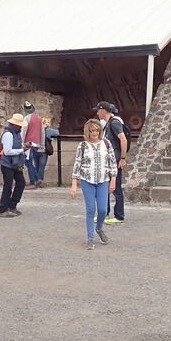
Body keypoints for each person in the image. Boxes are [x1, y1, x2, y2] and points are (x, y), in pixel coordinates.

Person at [70, 117, 117, 249]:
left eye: (96, 130)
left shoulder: (106, 144)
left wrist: (113, 179)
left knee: (102, 209)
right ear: (87, 132)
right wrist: (74, 184)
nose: (94, 133)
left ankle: (99, 228)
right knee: (91, 209)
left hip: (103, 180)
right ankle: (90, 238)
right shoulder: (83, 146)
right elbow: (77, 164)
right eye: (91, 131)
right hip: (87, 180)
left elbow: (112, 162)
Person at [94, 101, 130, 223]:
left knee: (116, 189)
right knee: (106, 187)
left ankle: (119, 216)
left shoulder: (114, 123)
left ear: (103, 110)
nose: (97, 113)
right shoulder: (108, 124)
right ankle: (105, 213)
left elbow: (123, 139)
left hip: (115, 160)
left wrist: (123, 158)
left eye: (98, 110)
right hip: (109, 160)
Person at [0, 112, 28, 217]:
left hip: (15, 163)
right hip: (8, 164)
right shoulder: (8, 134)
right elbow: (7, 151)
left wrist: (23, 148)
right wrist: (21, 150)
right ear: (15, 124)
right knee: (8, 186)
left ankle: (11, 205)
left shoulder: (16, 133)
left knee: (21, 183)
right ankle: (3, 209)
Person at [22, 100, 45, 188]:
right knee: (32, 163)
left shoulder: (26, 119)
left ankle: (34, 181)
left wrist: (22, 143)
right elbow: (42, 132)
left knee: (28, 163)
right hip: (37, 144)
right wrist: (42, 145)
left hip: (28, 144)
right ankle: (38, 179)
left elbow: (23, 132)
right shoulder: (39, 118)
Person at [36, 118, 60, 185]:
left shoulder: (36, 129)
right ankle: (40, 180)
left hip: (36, 148)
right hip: (43, 150)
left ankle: (35, 179)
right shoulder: (48, 130)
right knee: (42, 166)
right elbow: (57, 133)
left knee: (36, 165)